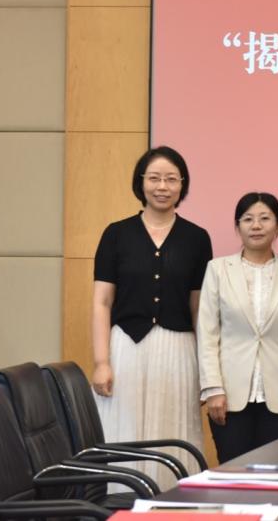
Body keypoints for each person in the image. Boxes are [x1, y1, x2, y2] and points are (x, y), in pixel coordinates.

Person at [90, 146, 212, 486]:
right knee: (124, 428)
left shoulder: (197, 238)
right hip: (126, 347)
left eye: (171, 179)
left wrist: (206, 370)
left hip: (178, 350)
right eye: (154, 178)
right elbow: (102, 302)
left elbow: (199, 309)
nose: (162, 186)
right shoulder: (116, 234)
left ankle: (173, 502)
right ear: (141, 182)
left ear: (182, 185)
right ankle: (121, 499)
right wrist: (101, 362)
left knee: (174, 430)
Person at [197, 192, 278, 462]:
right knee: (233, 470)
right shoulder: (217, 270)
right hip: (228, 395)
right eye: (248, 219)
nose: (256, 226)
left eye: (265, 218)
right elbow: (207, 334)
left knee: (277, 471)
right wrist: (213, 388)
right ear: (237, 227)